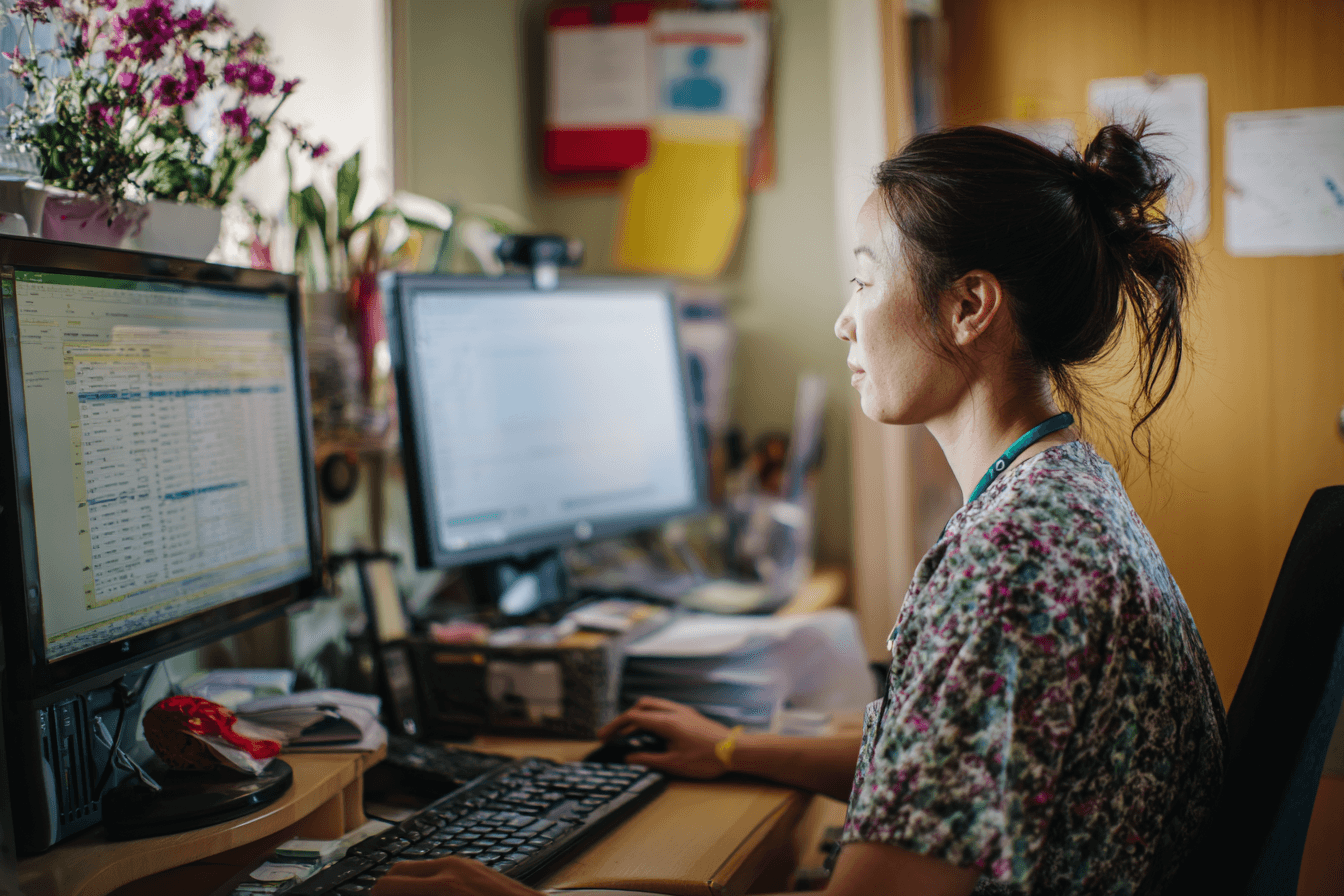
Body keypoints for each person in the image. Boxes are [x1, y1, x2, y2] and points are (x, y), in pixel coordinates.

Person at [371, 122, 1226, 896]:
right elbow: (942, 774)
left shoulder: (1014, 560)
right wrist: (738, 750)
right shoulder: (1064, 492)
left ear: (970, 307)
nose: (843, 321)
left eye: (863, 280)